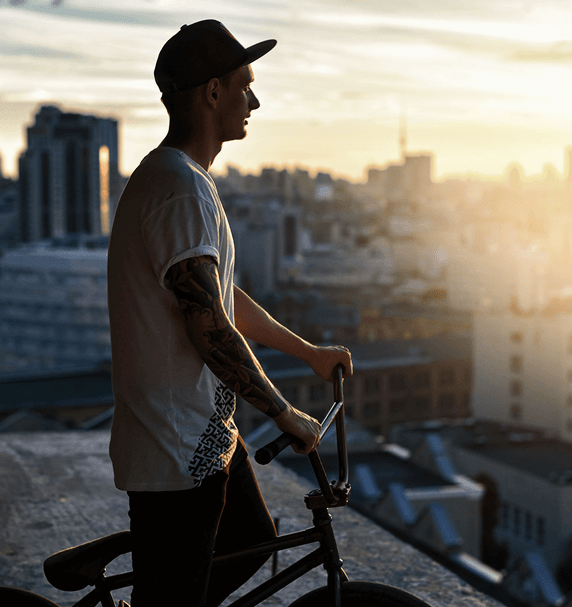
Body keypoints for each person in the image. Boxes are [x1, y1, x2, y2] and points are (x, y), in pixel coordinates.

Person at [106, 19, 353, 607]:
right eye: (245, 85)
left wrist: (308, 354)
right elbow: (208, 324)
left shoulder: (185, 180)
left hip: (205, 435)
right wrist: (283, 410)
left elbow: (218, 299)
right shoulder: (179, 188)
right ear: (212, 92)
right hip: (176, 448)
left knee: (251, 541)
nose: (255, 100)